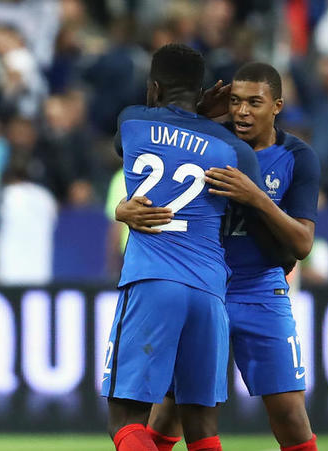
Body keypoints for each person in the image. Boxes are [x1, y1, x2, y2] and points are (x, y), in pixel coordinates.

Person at [117, 62, 321, 451]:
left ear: (277, 106)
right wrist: (122, 209)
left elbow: (302, 244)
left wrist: (257, 197)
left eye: (254, 103)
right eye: (235, 101)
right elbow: (156, 185)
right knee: (171, 411)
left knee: (290, 415)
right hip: (203, 286)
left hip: (259, 290)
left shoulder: (297, 156)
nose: (242, 111)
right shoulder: (210, 142)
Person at [101, 43, 264, 451]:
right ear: (201, 91)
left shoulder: (132, 120)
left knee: (125, 420)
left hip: (153, 280)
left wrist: (122, 210)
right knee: (202, 428)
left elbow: (152, 138)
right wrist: (201, 118)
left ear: (154, 88)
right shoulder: (236, 151)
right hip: (209, 291)